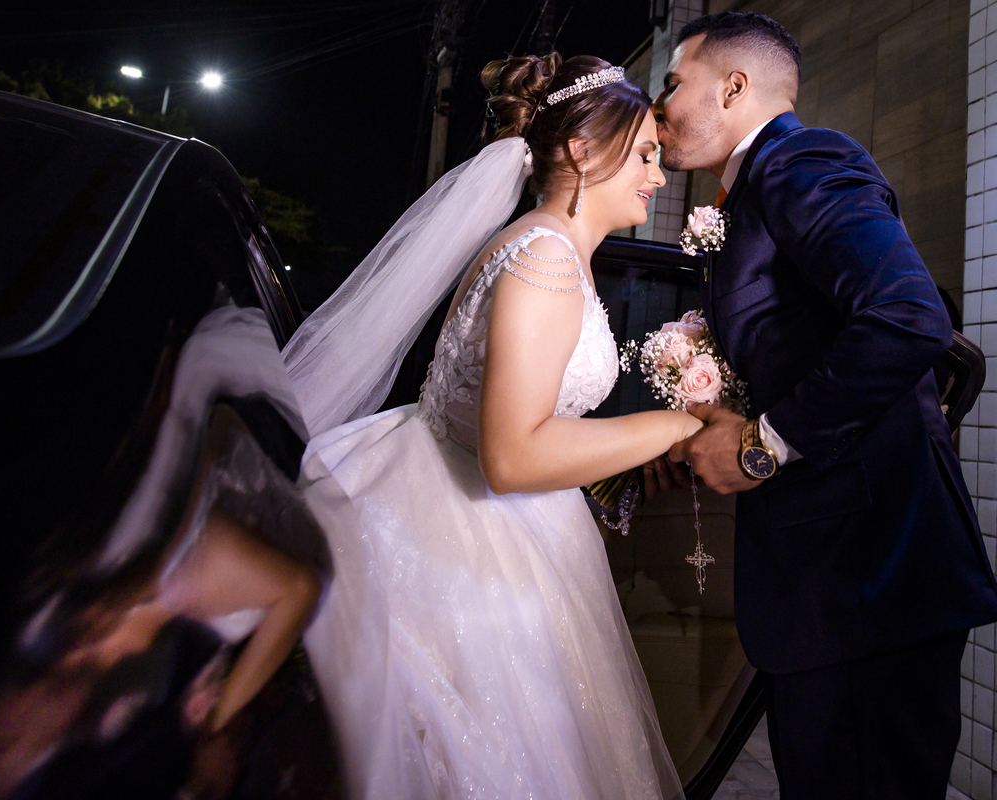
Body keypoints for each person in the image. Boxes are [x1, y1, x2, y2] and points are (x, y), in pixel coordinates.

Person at [283, 53, 699, 799]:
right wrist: (674, 427)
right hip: (473, 547)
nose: (658, 175)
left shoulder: (533, 244)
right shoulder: (546, 260)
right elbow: (514, 453)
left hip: (442, 492)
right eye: (644, 153)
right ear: (578, 150)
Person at [653, 12, 997, 799]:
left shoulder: (804, 160)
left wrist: (760, 445)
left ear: (734, 87)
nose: (660, 105)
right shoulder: (755, 189)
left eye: (673, 82)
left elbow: (909, 314)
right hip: (834, 591)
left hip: (870, 585)